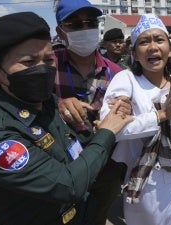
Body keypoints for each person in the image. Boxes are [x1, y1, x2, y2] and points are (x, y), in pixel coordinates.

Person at [0, 11, 132, 225]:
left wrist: (101, 123)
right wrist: (107, 133)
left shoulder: (48, 103)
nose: (42, 69)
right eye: (28, 61)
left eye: (47, 59)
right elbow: (67, 186)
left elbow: (73, 149)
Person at [100, 13, 171, 225]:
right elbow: (111, 129)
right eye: (144, 42)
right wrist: (160, 115)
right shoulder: (126, 80)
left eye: (159, 40)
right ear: (135, 53)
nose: (153, 47)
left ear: (170, 49)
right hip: (146, 181)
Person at [53, 0, 129, 224]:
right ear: (60, 31)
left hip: (107, 164)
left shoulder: (116, 72)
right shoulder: (49, 65)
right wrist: (56, 103)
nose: (85, 29)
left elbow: (129, 114)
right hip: (62, 165)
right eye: (75, 25)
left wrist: (126, 110)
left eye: (90, 23)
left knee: (97, 215)